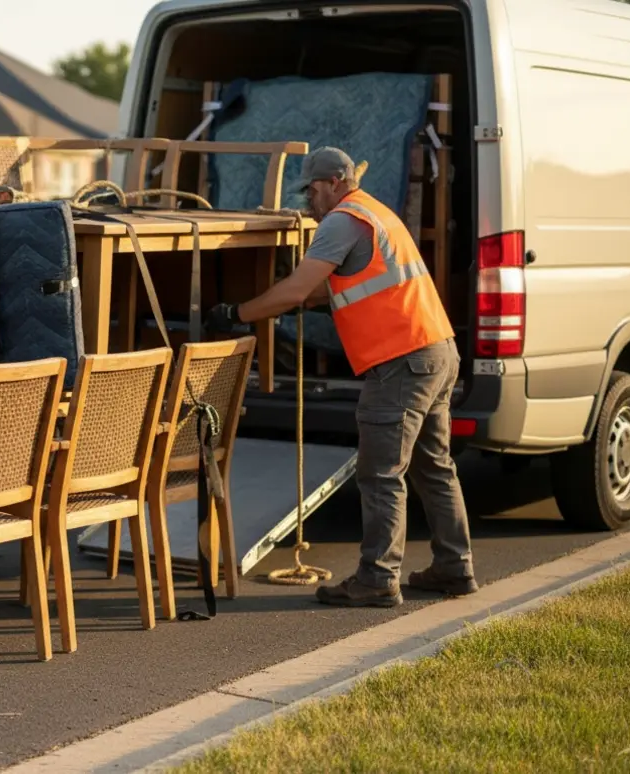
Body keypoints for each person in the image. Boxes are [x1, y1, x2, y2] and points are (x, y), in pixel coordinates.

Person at [203, 147, 475, 608]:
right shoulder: (375, 212)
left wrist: (238, 313)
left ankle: (377, 579)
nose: (308, 201)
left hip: (402, 363)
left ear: (333, 182)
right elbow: (356, 286)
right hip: (436, 351)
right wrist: (308, 300)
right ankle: (454, 567)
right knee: (434, 468)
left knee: (381, 475)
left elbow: (294, 290)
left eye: (311, 190)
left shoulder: (342, 221)